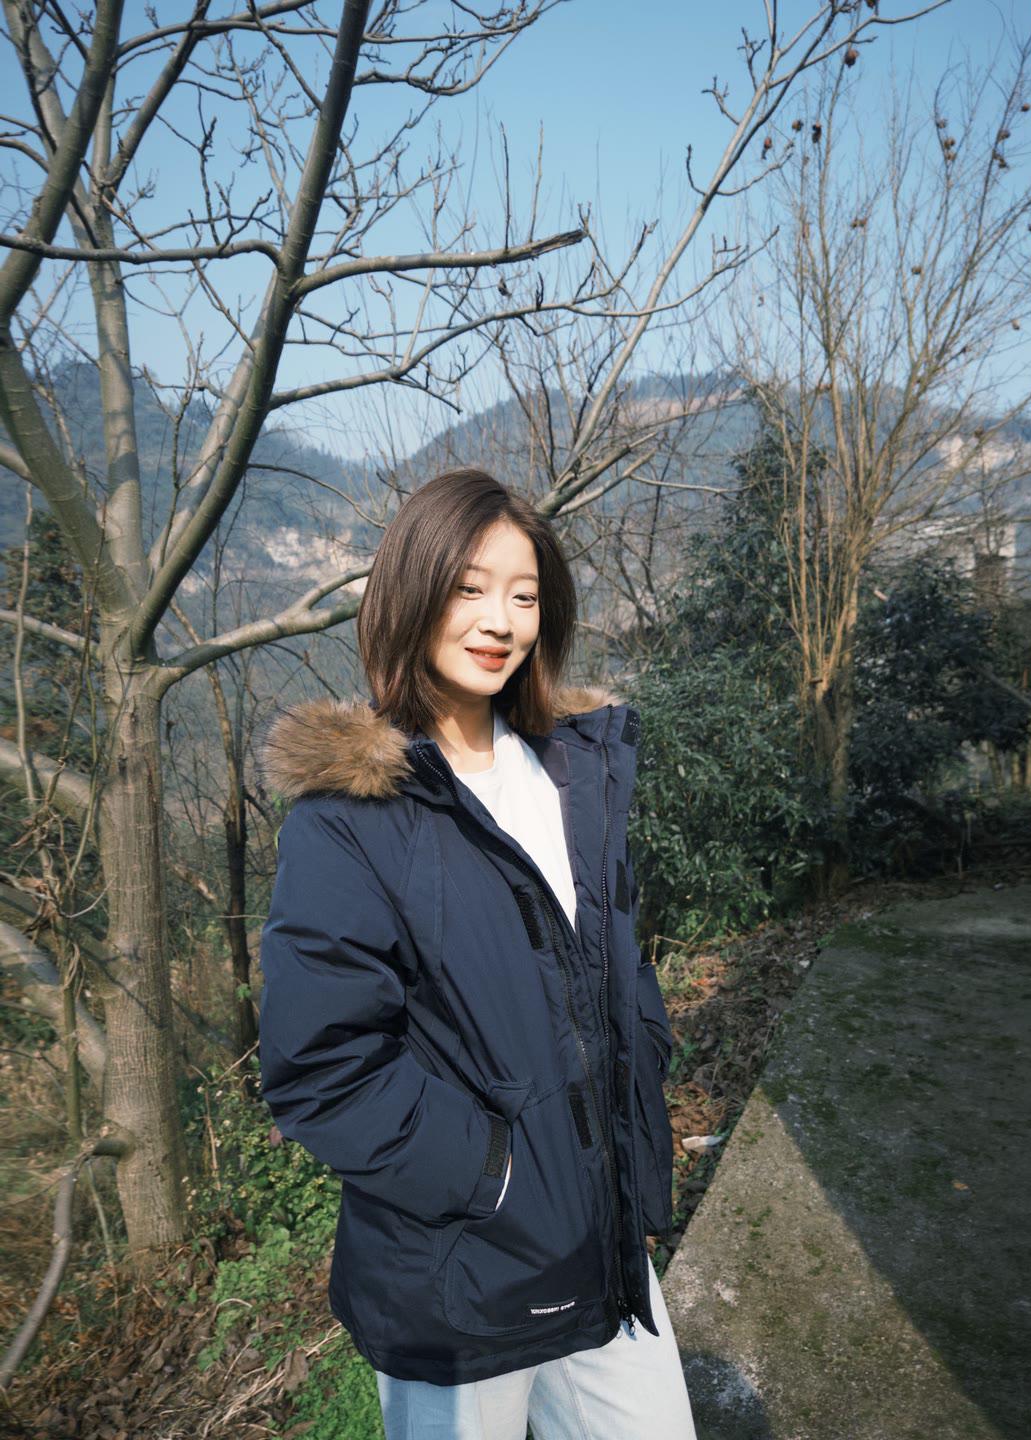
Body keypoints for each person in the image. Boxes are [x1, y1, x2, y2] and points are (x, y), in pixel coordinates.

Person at [257, 468, 697, 1438]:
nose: (500, 619)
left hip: (603, 1252)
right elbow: (321, 1069)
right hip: (455, 1285)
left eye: (524, 594)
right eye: (469, 587)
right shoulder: (352, 817)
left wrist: (638, 1094)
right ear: (412, 592)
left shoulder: (573, 772)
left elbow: (620, 967)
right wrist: (497, 1176)